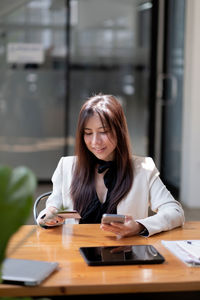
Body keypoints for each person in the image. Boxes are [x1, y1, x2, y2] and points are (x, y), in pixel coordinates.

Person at [37, 94, 185, 237]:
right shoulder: (67, 166)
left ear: (119, 131)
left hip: (125, 254)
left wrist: (139, 226)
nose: (95, 142)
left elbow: (175, 212)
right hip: (77, 255)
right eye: (88, 133)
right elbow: (53, 206)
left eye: (103, 132)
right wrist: (49, 214)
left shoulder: (144, 168)